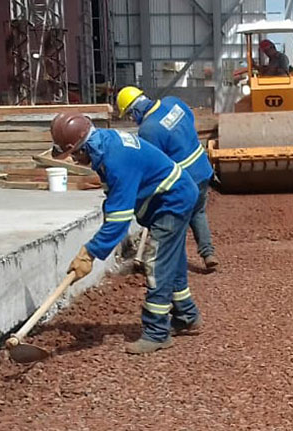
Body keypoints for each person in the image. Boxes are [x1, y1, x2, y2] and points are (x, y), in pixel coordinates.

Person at [50, 113, 200, 354]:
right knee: (171, 257)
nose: (76, 161)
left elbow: (120, 219)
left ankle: (157, 332)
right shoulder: (104, 145)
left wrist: (90, 253)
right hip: (172, 194)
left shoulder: (115, 159)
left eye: (75, 155)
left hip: (173, 200)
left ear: (80, 147)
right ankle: (186, 314)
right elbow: (114, 202)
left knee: (157, 261)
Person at [116, 86, 218, 271]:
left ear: (135, 110)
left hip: (185, 181)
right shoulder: (173, 102)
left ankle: (167, 262)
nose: (131, 119)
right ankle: (208, 253)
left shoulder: (148, 130)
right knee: (198, 212)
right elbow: (190, 120)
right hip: (203, 169)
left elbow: (154, 163)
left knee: (173, 221)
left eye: (130, 115)